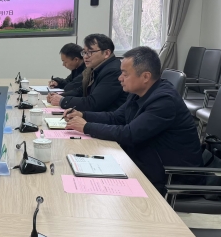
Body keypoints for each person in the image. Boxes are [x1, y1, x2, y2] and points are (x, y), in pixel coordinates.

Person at [64, 46, 203, 194]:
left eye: (125, 74)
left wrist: (86, 127)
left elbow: (129, 134)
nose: (120, 78)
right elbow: (116, 117)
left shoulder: (164, 101)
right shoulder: (139, 92)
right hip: (145, 163)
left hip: (170, 177)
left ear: (145, 77)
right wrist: (83, 115)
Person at [48, 33, 128, 112]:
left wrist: (63, 101)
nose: (85, 57)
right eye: (84, 52)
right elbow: (82, 90)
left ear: (106, 53)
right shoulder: (95, 68)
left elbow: (93, 103)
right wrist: (59, 96)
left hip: (108, 117)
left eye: (90, 52)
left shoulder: (112, 71)